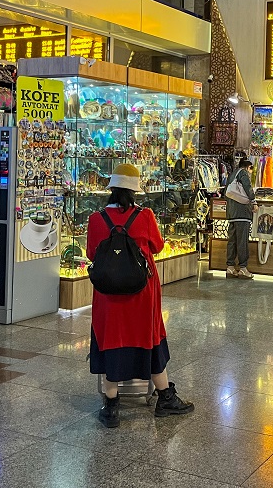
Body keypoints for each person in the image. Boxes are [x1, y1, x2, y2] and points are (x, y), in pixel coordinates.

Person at [86, 164, 194, 428]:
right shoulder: (144, 216)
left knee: (111, 339)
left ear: (111, 188)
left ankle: (111, 405)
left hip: (108, 297)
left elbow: (91, 254)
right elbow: (157, 246)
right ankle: (165, 397)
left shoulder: (96, 219)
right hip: (141, 295)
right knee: (149, 337)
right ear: (135, 190)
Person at [223, 158, 256, 279]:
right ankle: (243, 268)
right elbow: (248, 188)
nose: (251, 171)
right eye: (251, 168)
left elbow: (225, 193)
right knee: (242, 241)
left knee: (232, 241)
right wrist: (254, 201)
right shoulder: (243, 173)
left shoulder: (232, 174)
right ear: (247, 167)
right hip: (242, 213)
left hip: (232, 213)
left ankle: (230, 267)